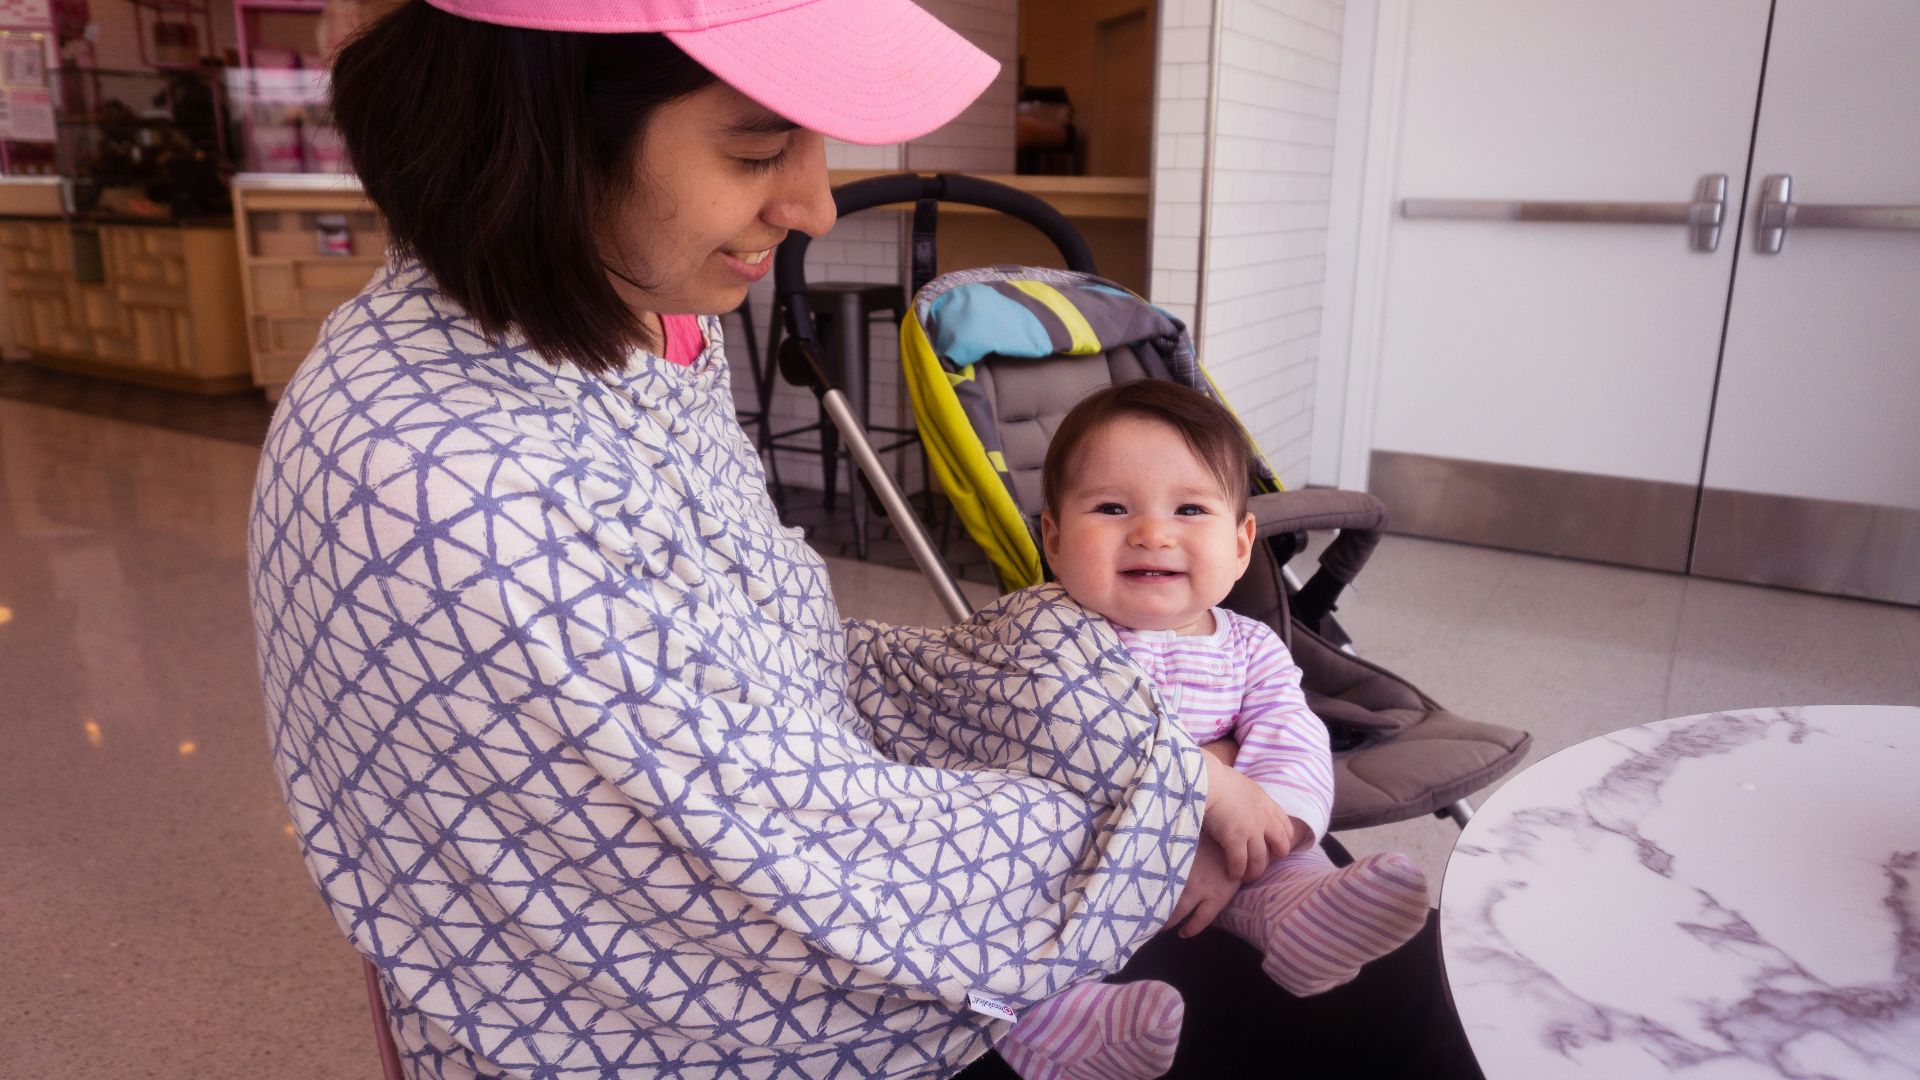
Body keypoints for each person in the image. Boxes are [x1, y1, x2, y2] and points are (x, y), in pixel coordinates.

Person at [250, 3, 1259, 1078]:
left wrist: (1123, 739)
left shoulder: (625, 324)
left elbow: (782, 652)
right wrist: (1151, 812)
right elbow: (778, 885)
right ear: (534, 132)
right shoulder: (462, 498)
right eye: (759, 148)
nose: (817, 203)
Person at [1037, 381, 1432, 1005]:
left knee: (1288, 852)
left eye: (1189, 510)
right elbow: (1055, 731)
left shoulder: (1251, 648)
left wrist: (1254, 838)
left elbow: (1291, 736)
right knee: (1014, 896)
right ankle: (1060, 1015)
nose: (1152, 533)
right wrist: (1207, 774)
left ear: (1242, 544)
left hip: (1226, 836)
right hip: (1082, 849)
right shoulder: (1048, 631)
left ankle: (1299, 919)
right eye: (1113, 509)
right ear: (1054, 540)